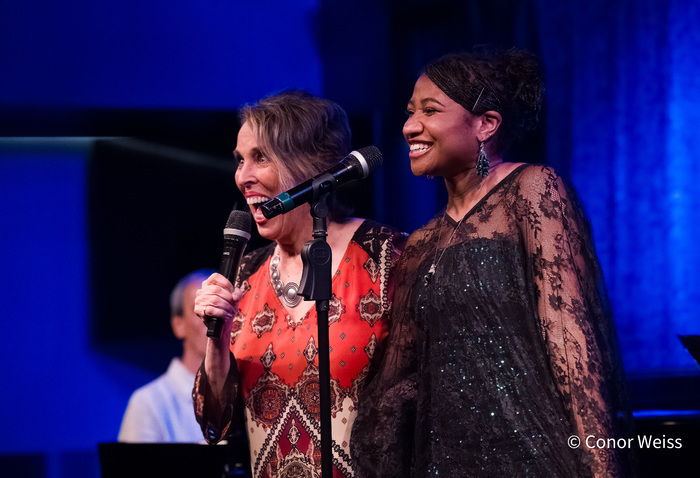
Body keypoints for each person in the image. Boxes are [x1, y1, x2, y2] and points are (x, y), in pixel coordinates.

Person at [350, 47, 635, 477]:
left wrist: (602, 468)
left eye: (430, 110)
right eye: (410, 112)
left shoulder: (533, 191)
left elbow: (570, 339)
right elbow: (397, 382)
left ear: (486, 124)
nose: (410, 126)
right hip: (447, 464)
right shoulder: (422, 243)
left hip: (534, 456)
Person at [192, 90, 406, 478]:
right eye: (240, 160)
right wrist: (216, 337)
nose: (243, 177)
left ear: (310, 166)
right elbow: (213, 423)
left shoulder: (387, 258)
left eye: (260, 158)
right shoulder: (245, 274)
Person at [119, 269, 215, 443]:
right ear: (179, 325)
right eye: (202, 311)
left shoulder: (244, 395)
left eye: (220, 309)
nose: (214, 320)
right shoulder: (149, 403)